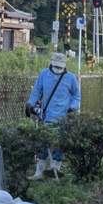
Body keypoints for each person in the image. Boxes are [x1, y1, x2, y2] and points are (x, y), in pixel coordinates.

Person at [25, 51, 81, 179]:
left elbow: (77, 96)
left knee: (59, 144)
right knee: (42, 143)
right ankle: (39, 172)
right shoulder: (44, 74)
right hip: (46, 116)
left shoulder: (71, 78)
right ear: (51, 64)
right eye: (56, 66)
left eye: (60, 67)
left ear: (64, 66)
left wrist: (73, 108)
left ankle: (55, 169)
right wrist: (30, 104)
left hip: (63, 117)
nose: (57, 69)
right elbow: (36, 91)